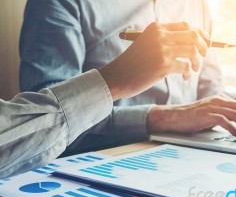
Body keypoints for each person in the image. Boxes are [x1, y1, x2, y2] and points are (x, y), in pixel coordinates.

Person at [19, 0, 236, 155]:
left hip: (195, 154)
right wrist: (167, 118)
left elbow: (209, 91)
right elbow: (48, 119)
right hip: (112, 159)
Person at [0, 22, 208, 179]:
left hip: (186, 156)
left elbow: (211, 86)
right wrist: (160, 117)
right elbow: (40, 122)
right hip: (100, 166)